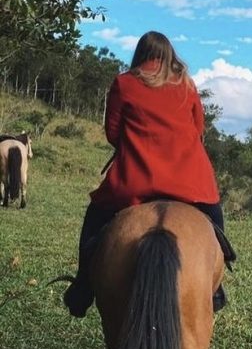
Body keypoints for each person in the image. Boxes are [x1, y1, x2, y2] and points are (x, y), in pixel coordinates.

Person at [64, 31, 228, 317]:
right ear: (169, 55)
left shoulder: (124, 83)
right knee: (214, 218)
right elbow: (199, 129)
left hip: (135, 179)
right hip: (190, 180)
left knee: (94, 217)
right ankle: (215, 288)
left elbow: (113, 133)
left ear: (140, 54)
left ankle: (83, 288)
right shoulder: (187, 84)